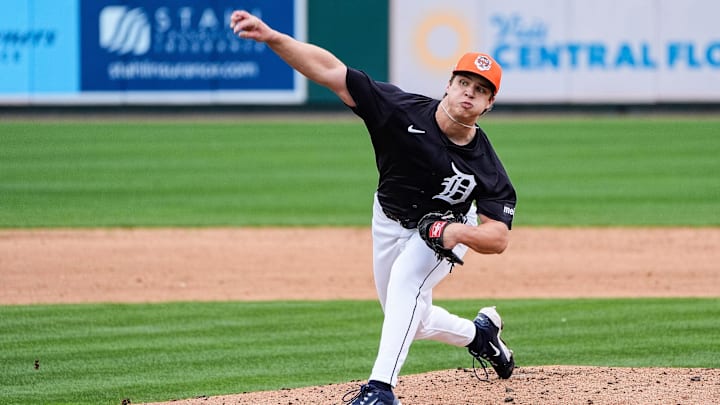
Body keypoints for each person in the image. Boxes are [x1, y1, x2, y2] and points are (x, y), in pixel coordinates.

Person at [231, 10, 517, 405]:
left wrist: (455, 233)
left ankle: (380, 390)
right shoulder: (399, 111)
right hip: (387, 219)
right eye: (464, 82)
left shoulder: (485, 164)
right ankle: (481, 335)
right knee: (408, 317)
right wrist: (272, 37)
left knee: (406, 283)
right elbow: (329, 70)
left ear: (489, 104)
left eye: (481, 90)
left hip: (442, 231)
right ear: (448, 85)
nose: (469, 92)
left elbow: (498, 236)